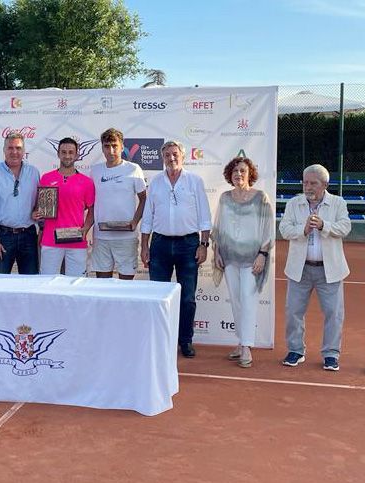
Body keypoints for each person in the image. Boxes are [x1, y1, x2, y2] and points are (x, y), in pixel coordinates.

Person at [141, 140, 211, 358]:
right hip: (160, 244)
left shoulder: (195, 181)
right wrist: (144, 245)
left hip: (188, 245)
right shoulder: (155, 182)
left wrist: (203, 244)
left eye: (175, 154)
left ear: (182, 156)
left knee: (187, 298)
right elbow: (147, 216)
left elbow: (205, 217)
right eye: (167, 155)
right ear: (163, 158)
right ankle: (161, 340)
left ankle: (185, 340)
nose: (171, 158)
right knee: (158, 296)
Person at [279, 164, 351, 371]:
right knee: (293, 311)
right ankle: (295, 350)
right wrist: (302, 230)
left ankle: (331, 353)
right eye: (305, 182)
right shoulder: (294, 204)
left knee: (333, 313)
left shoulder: (338, 203)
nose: (308, 187)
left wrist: (323, 226)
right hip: (299, 268)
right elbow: (284, 229)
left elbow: (345, 227)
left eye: (313, 183)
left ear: (325, 185)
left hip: (330, 269)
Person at [211, 156, 274, 367]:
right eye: (235, 171)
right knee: (236, 300)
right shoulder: (224, 198)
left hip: (252, 259)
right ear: (230, 174)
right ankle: (241, 341)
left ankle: (247, 346)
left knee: (248, 300)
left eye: (243, 171)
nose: (239, 174)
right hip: (229, 258)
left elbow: (268, 229)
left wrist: (262, 255)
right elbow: (218, 228)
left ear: (250, 174)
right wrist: (217, 252)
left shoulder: (261, 198)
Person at [90, 128, 147, 280]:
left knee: (126, 286)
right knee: (102, 284)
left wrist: (134, 222)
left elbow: (144, 199)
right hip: (101, 237)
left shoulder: (133, 169)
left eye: (115, 145)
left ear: (122, 146)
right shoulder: (95, 171)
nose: (111, 150)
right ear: (102, 148)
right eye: (107, 146)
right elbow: (92, 203)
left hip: (126, 237)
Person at [0, 132, 41, 274]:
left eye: (18, 148)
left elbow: (40, 202)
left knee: (29, 284)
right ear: (4, 150)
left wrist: (37, 211)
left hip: (29, 236)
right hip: (3, 237)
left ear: (24, 151)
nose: (14, 152)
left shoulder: (34, 173)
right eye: (10, 148)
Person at [35, 137, 95, 276]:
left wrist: (85, 229)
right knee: (47, 283)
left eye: (70, 152)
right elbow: (41, 209)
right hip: (50, 240)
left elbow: (92, 211)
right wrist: (36, 214)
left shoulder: (86, 182)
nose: (67, 156)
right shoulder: (46, 178)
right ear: (58, 154)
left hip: (76, 241)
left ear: (77, 155)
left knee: (77, 284)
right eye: (63, 152)